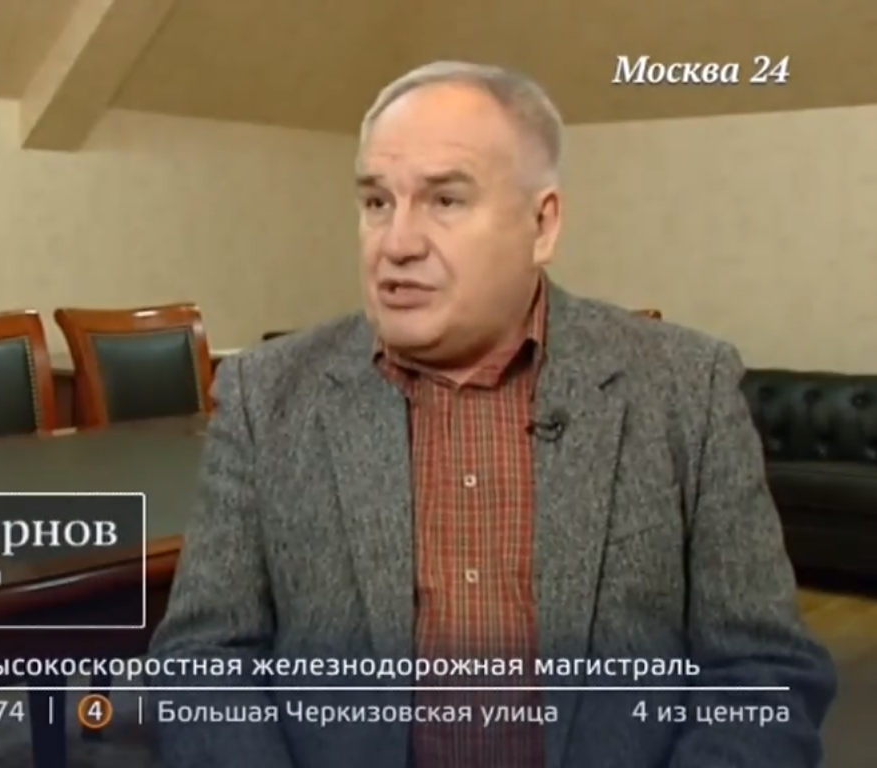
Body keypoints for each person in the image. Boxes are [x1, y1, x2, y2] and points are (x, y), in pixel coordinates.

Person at [147, 61, 836, 768]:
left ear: (542, 225)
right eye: (377, 202)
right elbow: (203, 660)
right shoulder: (266, 395)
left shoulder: (686, 388)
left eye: (445, 200)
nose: (397, 243)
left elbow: (763, 673)